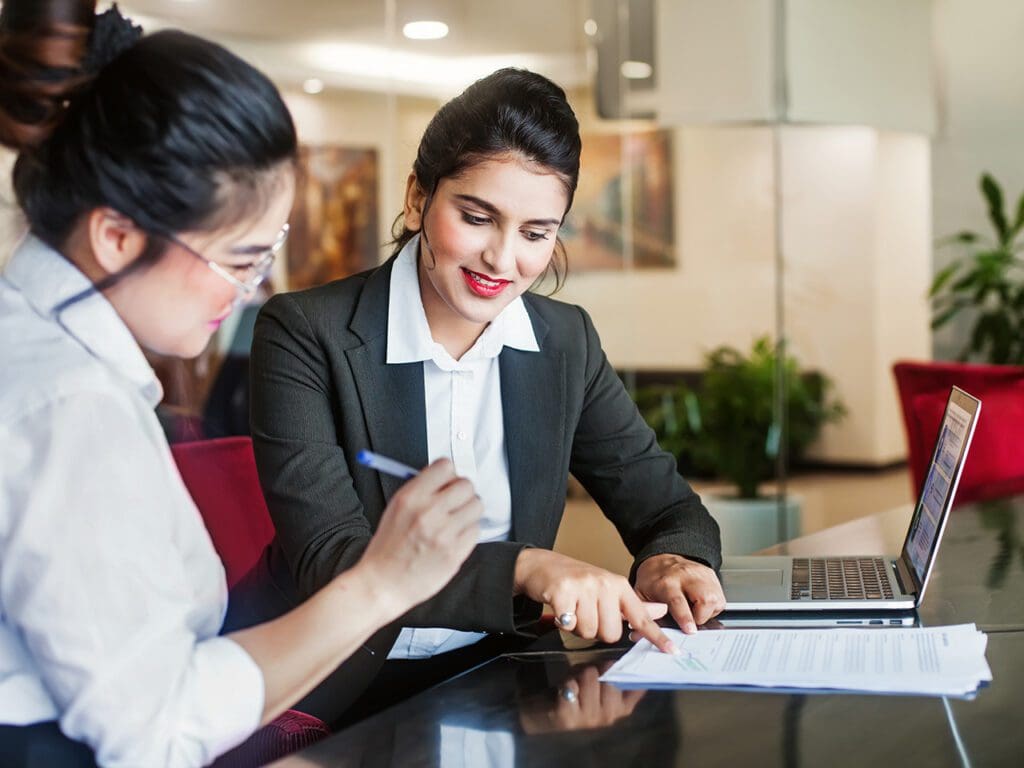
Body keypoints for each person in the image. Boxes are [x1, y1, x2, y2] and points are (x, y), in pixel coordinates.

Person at [0, 2, 482, 766]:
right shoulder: (70, 408)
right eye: (238, 259)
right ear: (117, 235)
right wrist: (381, 585)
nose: (248, 292)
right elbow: (152, 732)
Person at [249, 67, 726, 715]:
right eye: (477, 217)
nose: (503, 260)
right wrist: (528, 567)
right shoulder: (306, 333)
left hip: (507, 675)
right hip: (335, 686)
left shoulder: (565, 343)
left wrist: (672, 561)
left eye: (536, 233)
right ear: (418, 198)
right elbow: (333, 558)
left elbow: (666, 507)